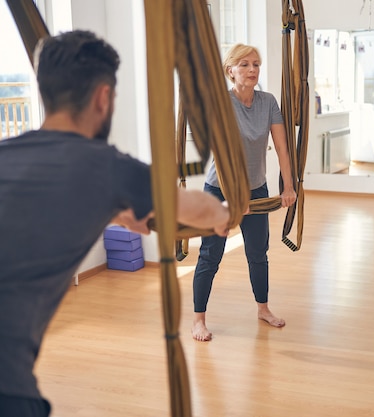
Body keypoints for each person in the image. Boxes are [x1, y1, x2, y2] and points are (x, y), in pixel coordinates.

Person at [0, 30, 231, 417]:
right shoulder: (105, 166)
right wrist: (227, 211)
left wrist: (113, 209)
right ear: (103, 97)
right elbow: (201, 210)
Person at [191, 44, 297, 342]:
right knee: (211, 255)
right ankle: (198, 320)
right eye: (244, 65)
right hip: (220, 190)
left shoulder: (267, 102)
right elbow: (220, 152)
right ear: (230, 71)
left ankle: (262, 308)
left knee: (257, 254)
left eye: (256, 64)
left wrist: (288, 187)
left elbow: (282, 147)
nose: (252, 70)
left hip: (256, 189)